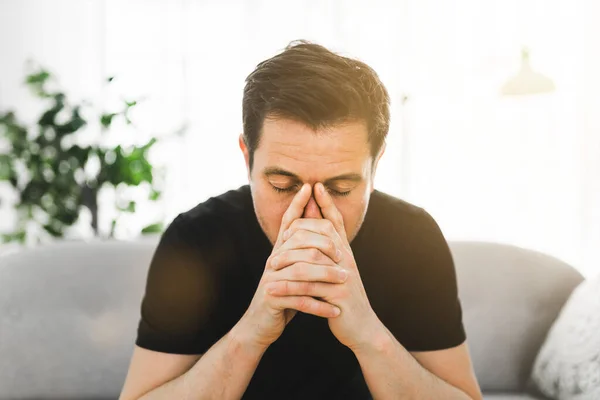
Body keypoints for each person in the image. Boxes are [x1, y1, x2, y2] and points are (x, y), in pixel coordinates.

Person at [119, 40, 482, 400]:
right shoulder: (194, 240)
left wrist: (368, 334)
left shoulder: (413, 239)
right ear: (247, 156)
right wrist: (251, 333)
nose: (311, 214)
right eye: (283, 185)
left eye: (340, 189)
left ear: (376, 165)